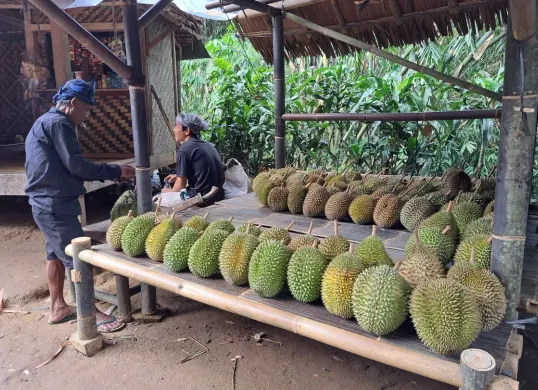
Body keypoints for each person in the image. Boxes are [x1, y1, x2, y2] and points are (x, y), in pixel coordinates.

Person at [25, 79, 135, 332]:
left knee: (54, 254)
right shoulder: (59, 124)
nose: (86, 116)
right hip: (55, 204)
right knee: (78, 258)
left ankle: (58, 308)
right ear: (73, 103)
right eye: (86, 109)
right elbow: (77, 166)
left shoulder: (44, 122)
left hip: (45, 202)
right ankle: (92, 313)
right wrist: (115, 170)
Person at [162, 113, 225, 205]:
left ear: (187, 130)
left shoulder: (184, 149)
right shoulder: (208, 145)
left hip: (201, 198)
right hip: (218, 195)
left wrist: (167, 191)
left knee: (159, 199)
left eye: (176, 126)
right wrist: (178, 176)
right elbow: (202, 171)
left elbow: (179, 187)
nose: (174, 129)